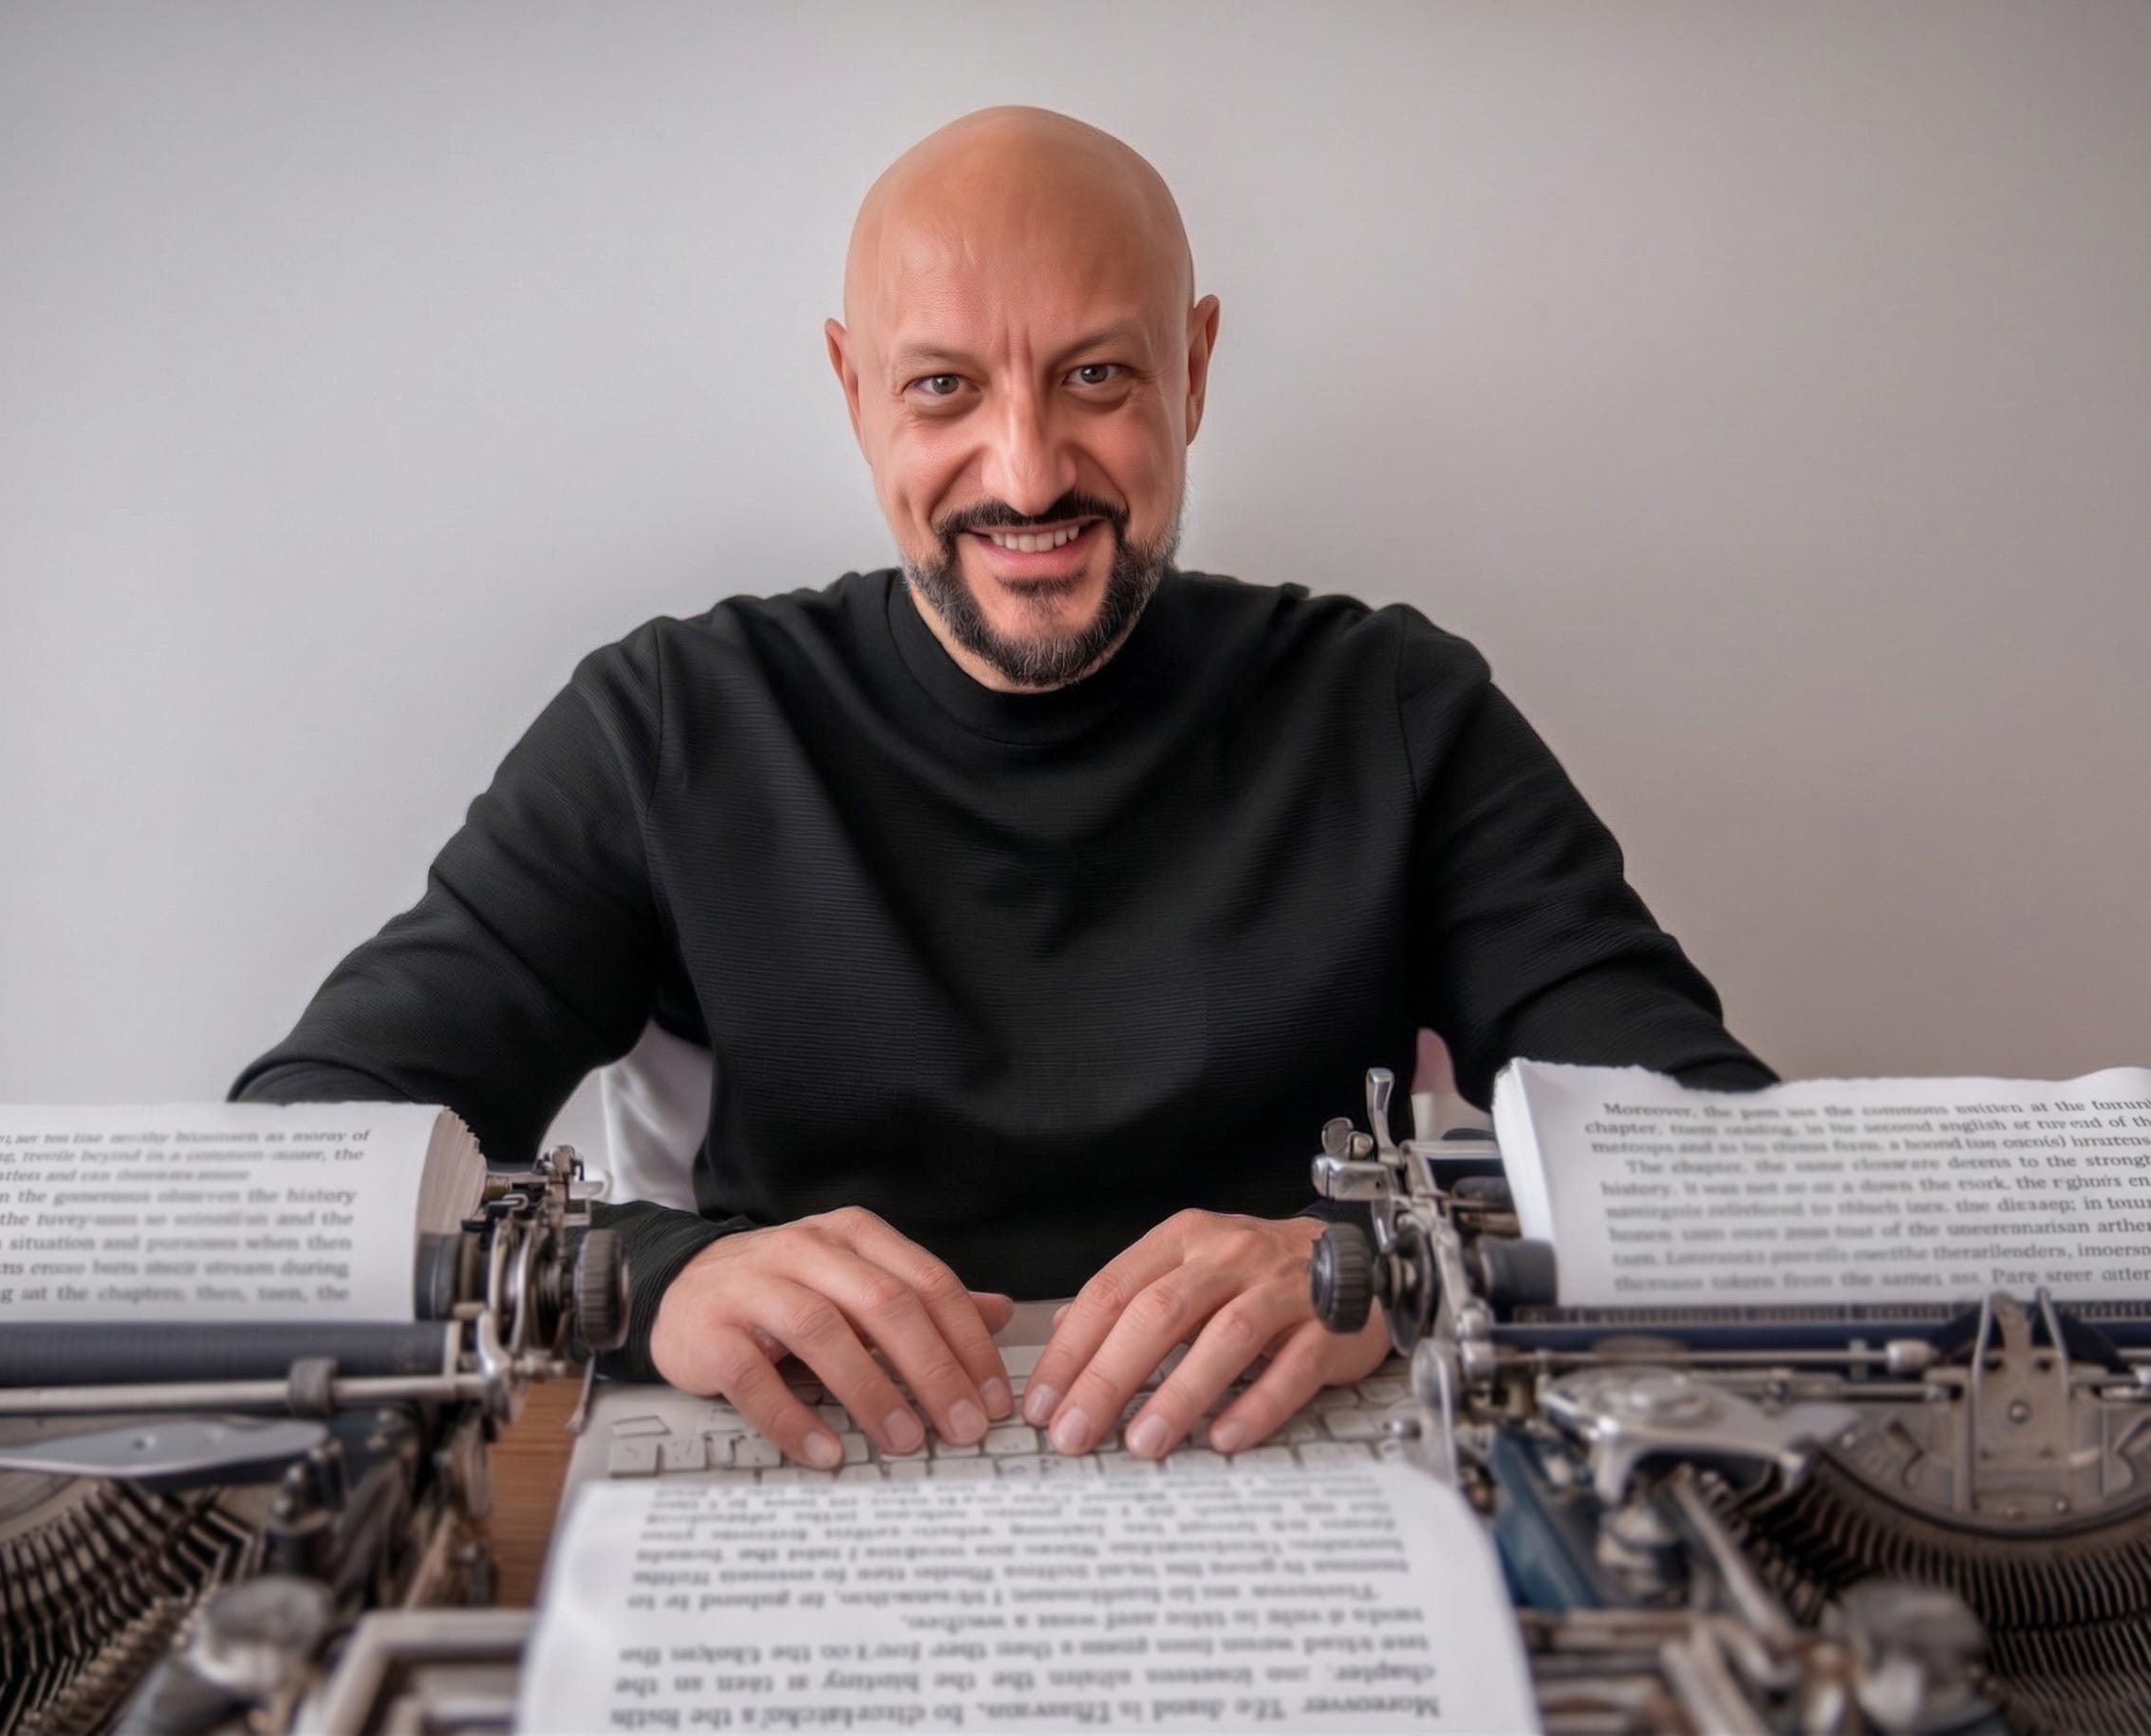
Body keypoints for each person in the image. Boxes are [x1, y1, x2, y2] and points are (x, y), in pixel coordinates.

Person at [233, 105, 1773, 1474]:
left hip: (1307, 1477)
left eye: (1096, 374)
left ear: (1194, 368)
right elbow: (300, 1160)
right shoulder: (672, 725)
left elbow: (1715, 1158)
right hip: (797, 1476)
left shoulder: (1396, 710)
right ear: (853, 389)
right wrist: (649, 1276)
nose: (1026, 471)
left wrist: (1392, 1265)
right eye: (944, 387)